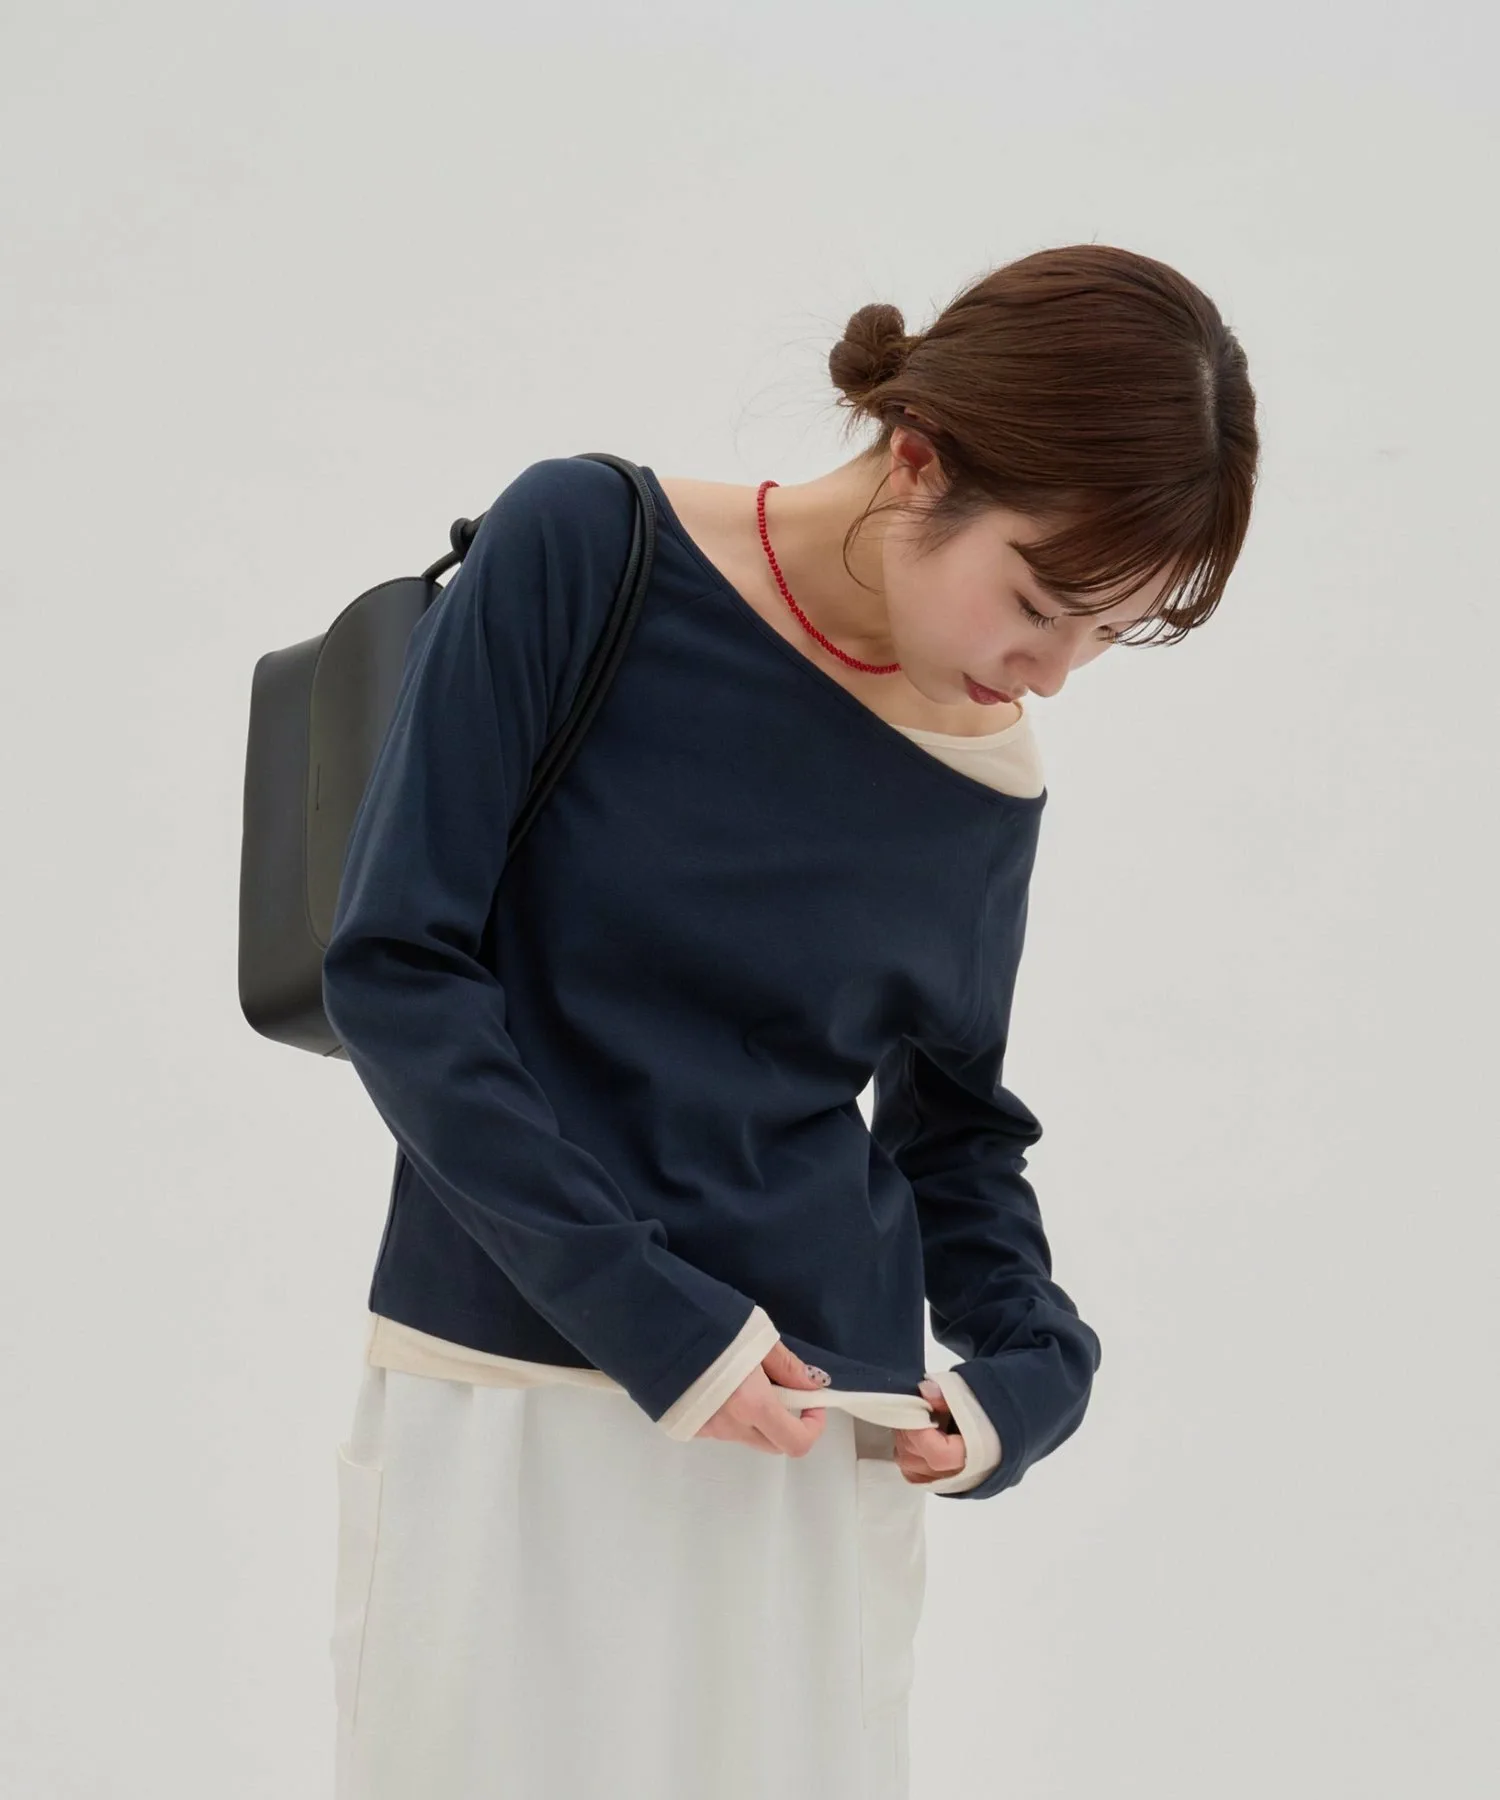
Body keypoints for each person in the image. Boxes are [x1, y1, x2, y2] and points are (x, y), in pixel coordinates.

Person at [321, 242, 1260, 1800]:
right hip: (511, 1384)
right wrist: (655, 1318)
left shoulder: (988, 771)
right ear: (918, 459)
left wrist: (1035, 1366)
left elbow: (953, 1135)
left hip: (811, 1438)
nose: (1051, 676)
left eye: (1108, 636)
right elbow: (397, 969)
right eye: (1040, 603)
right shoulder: (589, 547)